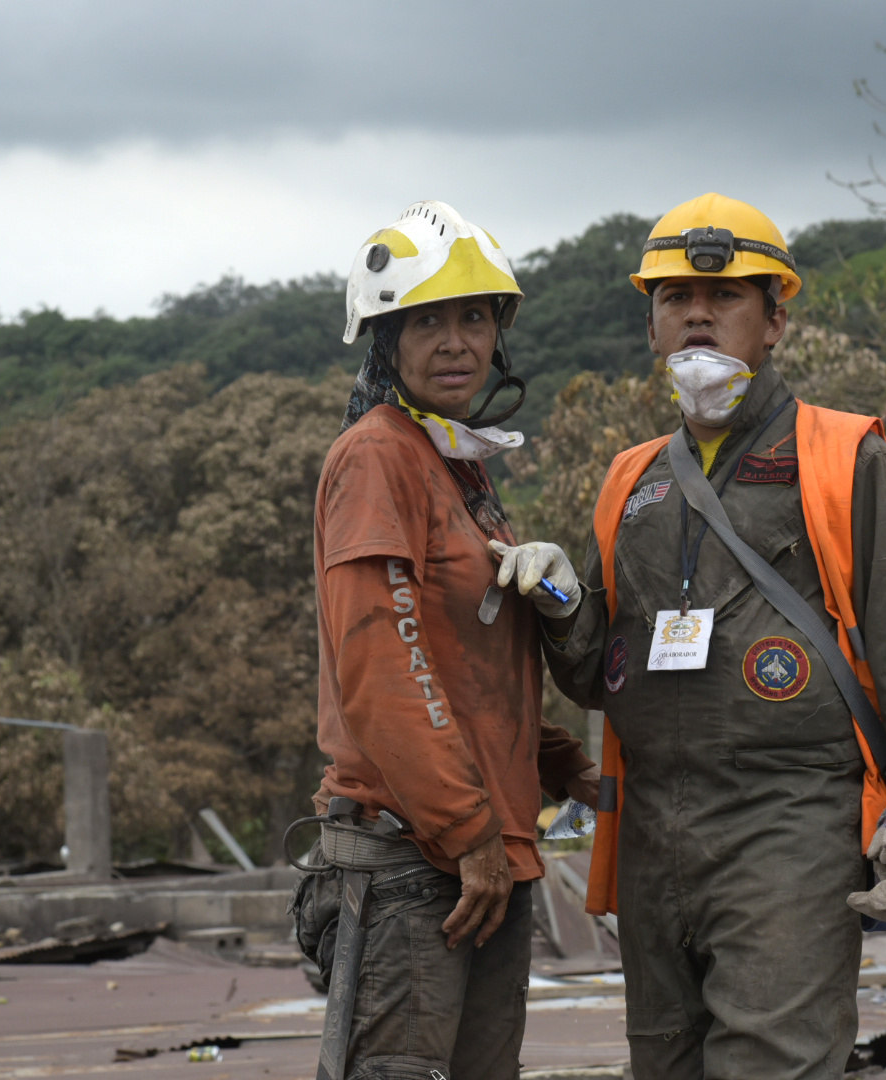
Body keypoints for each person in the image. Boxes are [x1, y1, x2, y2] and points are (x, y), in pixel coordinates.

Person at [489, 193, 886, 1076]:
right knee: (666, 1064)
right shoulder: (631, 481)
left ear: (775, 320)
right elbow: (598, 674)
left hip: (790, 819)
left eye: (723, 298)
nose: (695, 314)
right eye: (673, 297)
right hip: (652, 830)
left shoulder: (842, 458)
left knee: (775, 1063)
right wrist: (565, 607)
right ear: (651, 326)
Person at [295, 200, 599, 1080]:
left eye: (475, 316)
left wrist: (555, 761)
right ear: (383, 339)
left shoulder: (459, 470)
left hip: (483, 854)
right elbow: (381, 666)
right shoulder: (378, 457)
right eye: (427, 319)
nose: (457, 340)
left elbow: (463, 667)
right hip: (413, 858)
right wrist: (468, 832)